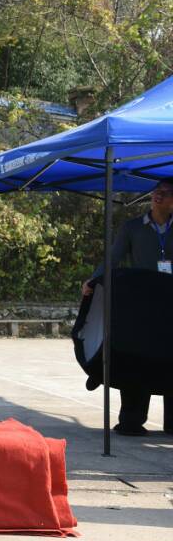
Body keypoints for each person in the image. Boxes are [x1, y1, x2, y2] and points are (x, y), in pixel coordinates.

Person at [83, 177, 173, 436]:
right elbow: (112, 258)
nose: (159, 195)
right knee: (138, 359)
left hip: (171, 305)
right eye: (157, 191)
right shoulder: (132, 227)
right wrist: (93, 280)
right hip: (142, 306)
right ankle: (132, 420)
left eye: (166, 192)